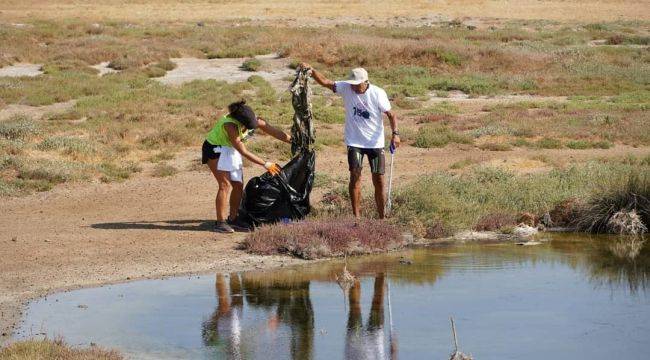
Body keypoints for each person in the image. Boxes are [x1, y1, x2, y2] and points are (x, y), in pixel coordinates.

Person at [301, 64, 400, 219]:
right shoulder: (346, 87)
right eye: (351, 84)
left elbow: (391, 115)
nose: (353, 87)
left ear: (365, 82)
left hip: (375, 143)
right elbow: (326, 82)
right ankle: (357, 218)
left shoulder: (378, 93)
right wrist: (312, 71)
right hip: (354, 142)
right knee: (355, 176)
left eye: (356, 84)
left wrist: (395, 134)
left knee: (379, 179)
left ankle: (382, 218)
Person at [202, 100, 291, 233]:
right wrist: (265, 164)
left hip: (230, 150)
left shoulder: (252, 120)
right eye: (249, 126)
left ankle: (233, 219)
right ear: (240, 121)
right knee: (224, 185)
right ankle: (220, 223)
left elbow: (274, 132)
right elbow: (243, 151)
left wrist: (293, 140)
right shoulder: (230, 126)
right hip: (215, 150)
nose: (252, 128)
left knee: (238, 185)